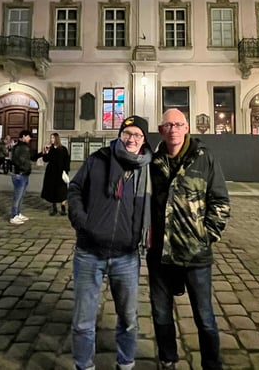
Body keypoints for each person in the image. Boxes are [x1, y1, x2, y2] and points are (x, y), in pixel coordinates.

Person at [66, 115, 153, 370]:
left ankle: (125, 363)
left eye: (138, 135)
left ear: (144, 139)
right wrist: (83, 222)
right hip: (89, 252)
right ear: (120, 135)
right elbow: (75, 190)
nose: (132, 139)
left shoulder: (149, 168)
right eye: (127, 134)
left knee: (128, 318)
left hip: (126, 255)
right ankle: (84, 365)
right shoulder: (99, 159)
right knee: (83, 319)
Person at [148, 108, 231, 370]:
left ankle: (211, 364)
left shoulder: (204, 158)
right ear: (161, 130)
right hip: (160, 254)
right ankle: (168, 359)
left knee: (204, 317)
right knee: (161, 314)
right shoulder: (152, 161)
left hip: (195, 255)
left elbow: (220, 201)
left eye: (178, 124)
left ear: (187, 128)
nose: (173, 129)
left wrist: (206, 236)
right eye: (168, 125)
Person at [34, 132, 71, 216]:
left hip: (61, 172)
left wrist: (66, 171)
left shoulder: (63, 149)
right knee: (52, 190)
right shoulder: (50, 149)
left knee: (62, 190)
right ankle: (54, 208)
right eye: (51, 138)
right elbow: (46, 160)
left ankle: (63, 207)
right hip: (51, 172)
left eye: (53, 138)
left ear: (57, 139)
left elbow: (67, 161)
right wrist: (45, 152)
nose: (51, 140)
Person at [9, 129, 35, 224]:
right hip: (20, 174)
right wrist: (22, 169)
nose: (30, 138)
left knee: (21, 196)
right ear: (23, 136)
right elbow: (16, 160)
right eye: (28, 137)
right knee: (17, 196)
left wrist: (42, 153)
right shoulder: (19, 147)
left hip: (24, 174)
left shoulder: (24, 146)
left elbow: (31, 157)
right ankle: (13, 216)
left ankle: (18, 213)